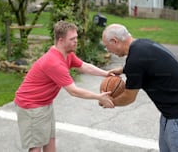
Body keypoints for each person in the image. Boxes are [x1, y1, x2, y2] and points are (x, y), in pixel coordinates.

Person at [102, 23, 178, 152]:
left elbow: (129, 97)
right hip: (175, 109)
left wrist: (110, 102)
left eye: (107, 47)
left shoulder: (135, 59)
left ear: (115, 41)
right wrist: (124, 70)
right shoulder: (142, 44)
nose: (108, 51)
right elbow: (148, 65)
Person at [14, 20, 114, 152]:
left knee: (50, 141)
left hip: (44, 104)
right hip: (31, 106)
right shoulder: (54, 62)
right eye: (72, 39)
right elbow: (73, 91)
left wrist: (106, 74)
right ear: (61, 40)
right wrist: (99, 97)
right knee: (36, 147)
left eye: (76, 38)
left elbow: (84, 66)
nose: (76, 41)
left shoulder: (67, 55)